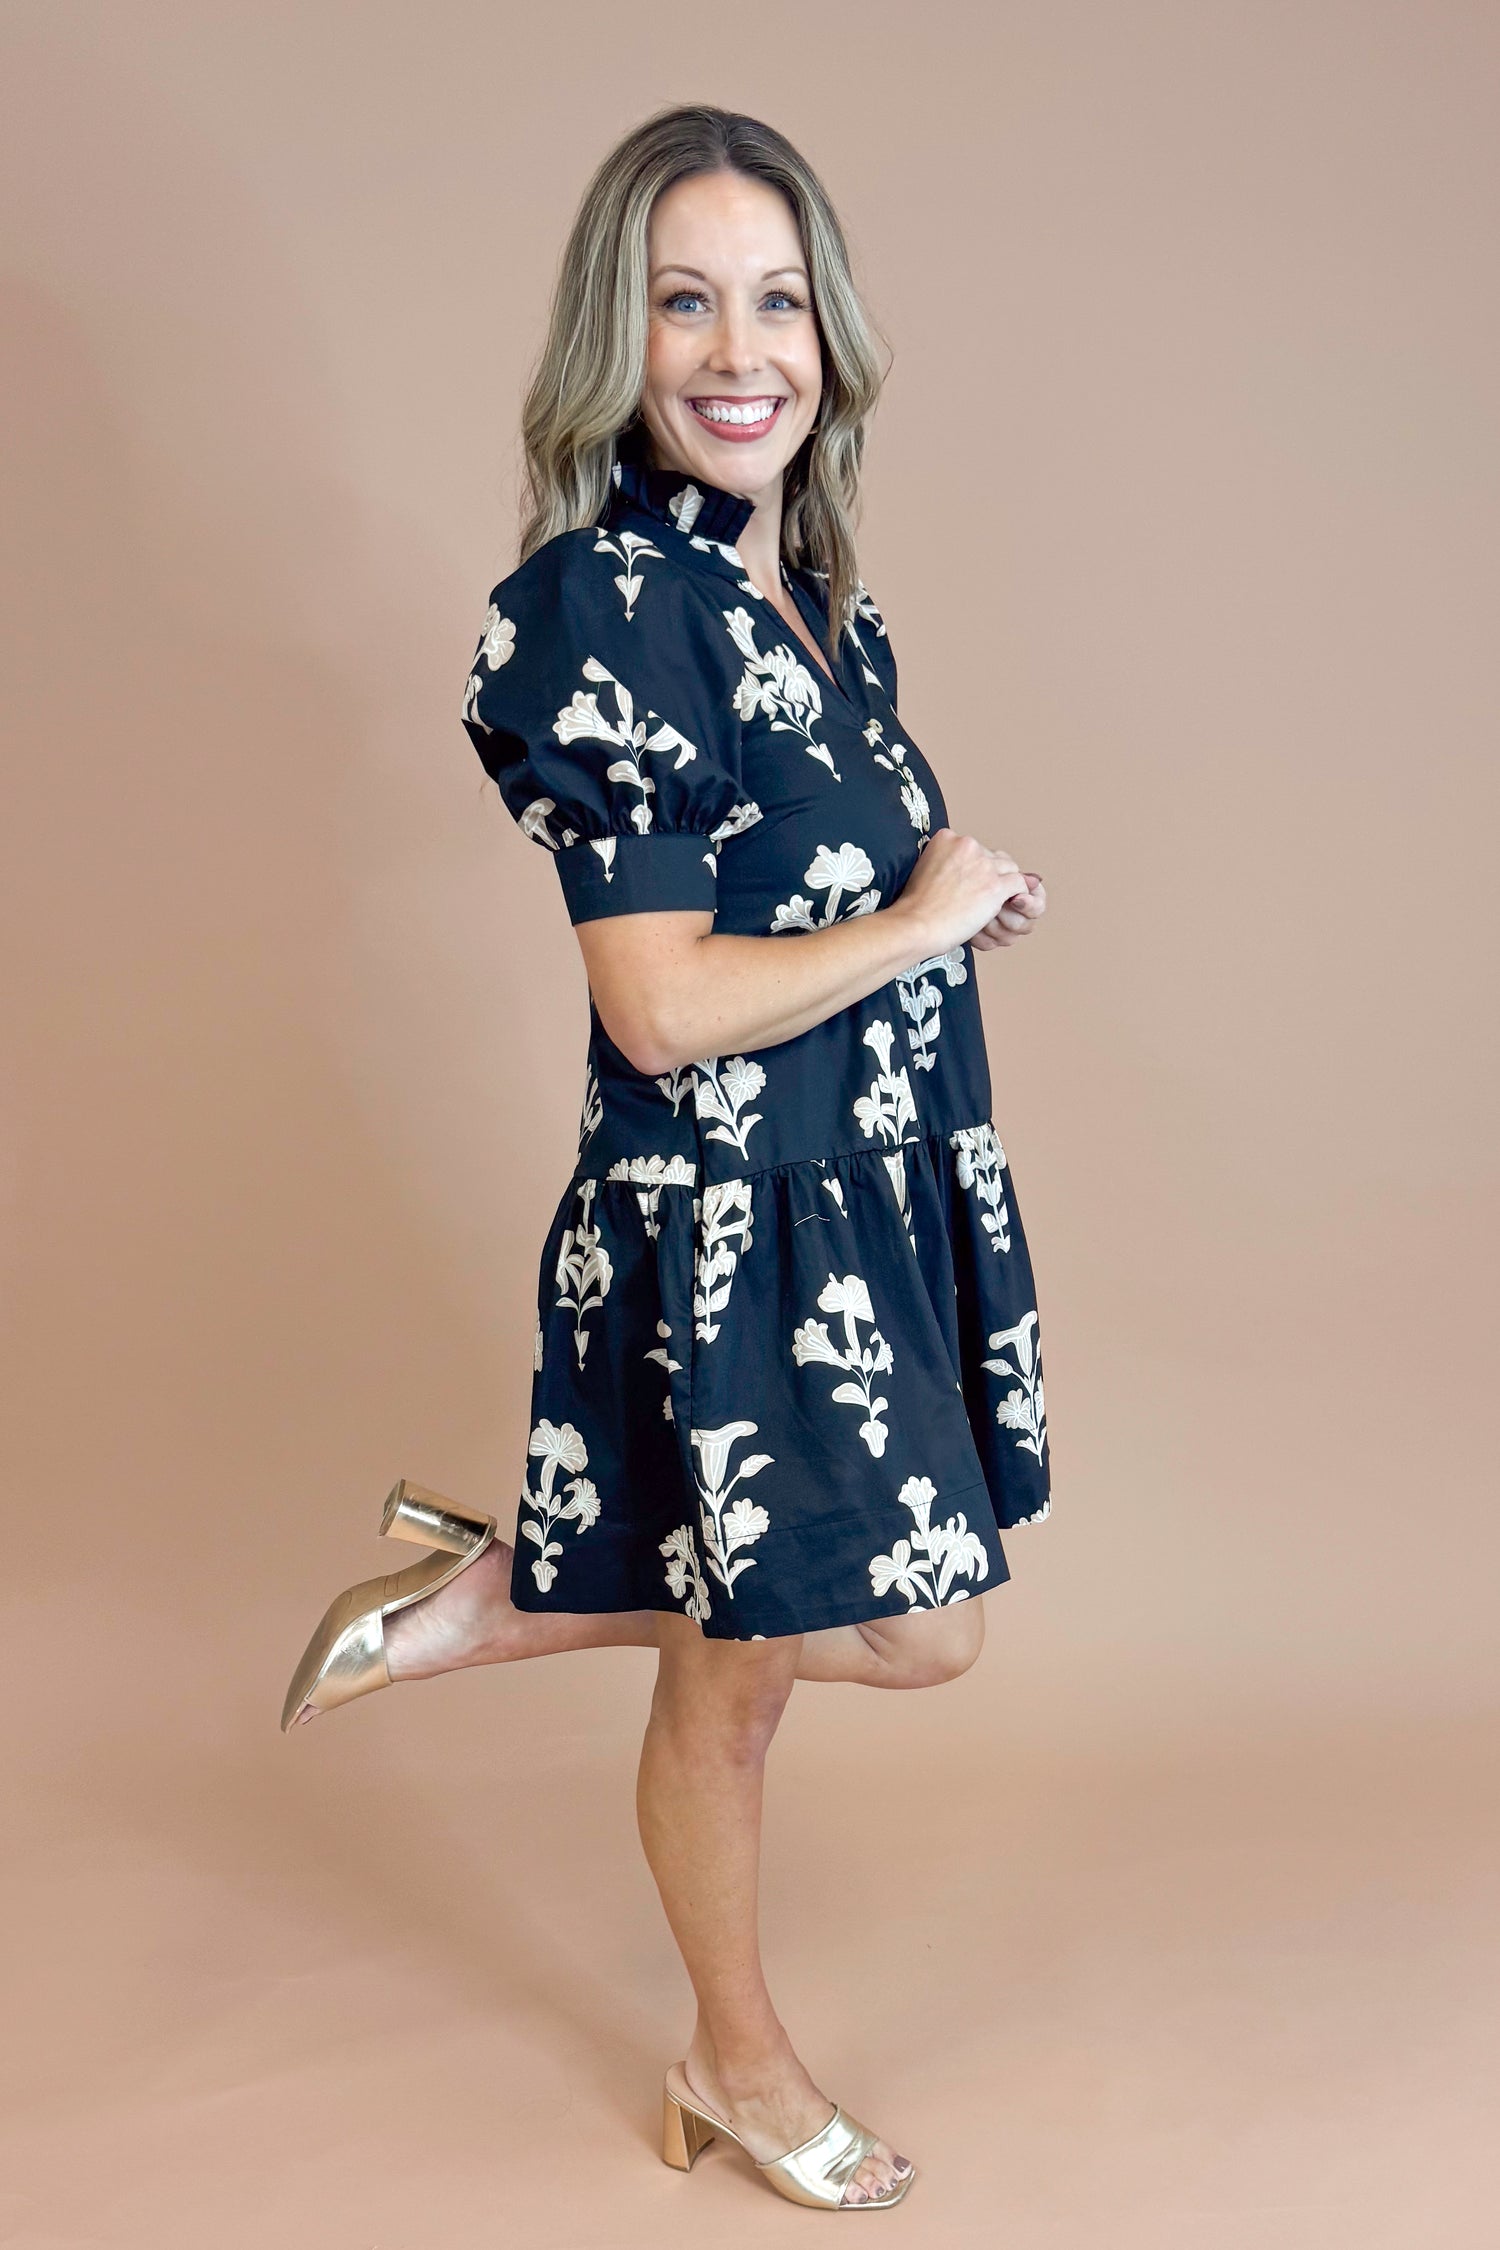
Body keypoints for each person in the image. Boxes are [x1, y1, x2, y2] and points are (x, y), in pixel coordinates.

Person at [280, 102, 1051, 2212]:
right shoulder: (601, 612)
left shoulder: (822, 609)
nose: (740, 349)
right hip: (736, 1233)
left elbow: (821, 912)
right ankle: (737, 2066)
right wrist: (908, 922)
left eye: (778, 299)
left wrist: (950, 906)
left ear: (834, 335)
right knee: (746, 1696)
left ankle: (515, 1593)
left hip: (858, 1197)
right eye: (685, 300)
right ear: (619, 343)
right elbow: (665, 1003)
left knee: (929, 1623)